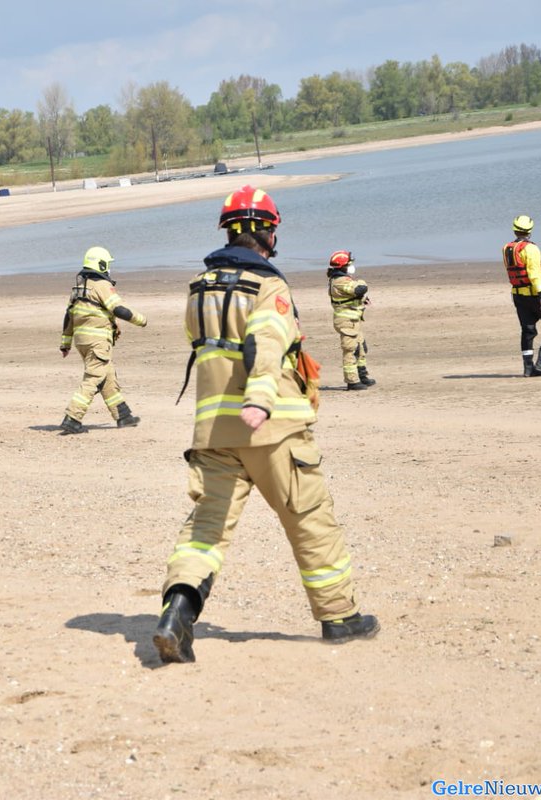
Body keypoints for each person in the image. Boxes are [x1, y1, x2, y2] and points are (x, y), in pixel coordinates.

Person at [152, 185, 378, 664]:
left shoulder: (198, 287)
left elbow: (201, 342)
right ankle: (340, 617)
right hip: (272, 431)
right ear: (268, 232)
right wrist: (258, 398)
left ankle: (176, 614)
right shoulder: (268, 286)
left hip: (213, 434)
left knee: (206, 530)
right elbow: (266, 342)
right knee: (310, 519)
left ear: (228, 231)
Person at [58, 246, 148, 434]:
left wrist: (65, 344)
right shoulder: (102, 286)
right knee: (93, 379)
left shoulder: (78, 289)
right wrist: (141, 320)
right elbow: (118, 309)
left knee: (107, 377)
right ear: (101, 265)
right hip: (97, 341)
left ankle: (123, 416)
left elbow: (68, 317)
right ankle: (72, 418)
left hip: (82, 342)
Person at [503, 214, 541, 376]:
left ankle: (528, 368)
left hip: (518, 295)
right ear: (530, 230)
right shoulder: (531, 248)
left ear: (514, 230)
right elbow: (535, 274)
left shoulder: (507, 248)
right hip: (534, 294)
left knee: (528, 330)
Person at [326, 250, 376, 390]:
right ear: (343, 266)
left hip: (353, 320)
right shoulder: (340, 281)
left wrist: (363, 299)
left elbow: (352, 296)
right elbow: (360, 289)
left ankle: (362, 376)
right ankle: (352, 381)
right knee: (350, 350)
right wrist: (361, 282)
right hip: (346, 321)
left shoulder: (343, 280)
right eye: (349, 264)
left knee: (361, 347)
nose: (351, 266)